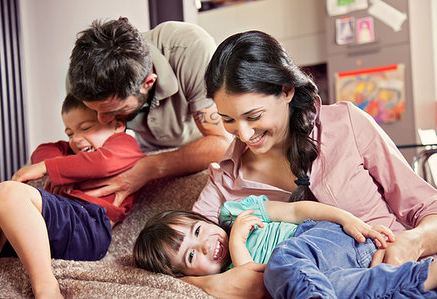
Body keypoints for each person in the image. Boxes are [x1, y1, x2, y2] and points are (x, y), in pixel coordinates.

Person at [186, 30, 437, 298]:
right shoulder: (225, 183)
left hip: (404, 274)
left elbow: (428, 207)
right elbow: (174, 256)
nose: (245, 134)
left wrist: (414, 242)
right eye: (228, 119)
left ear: (286, 91)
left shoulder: (346, 123)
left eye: (254, 116)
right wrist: (211, 284)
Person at [0, 94, 145, 298]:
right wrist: (63, 169)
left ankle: (46, 286)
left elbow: (103, 163)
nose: (76, 139)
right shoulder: (70, 155)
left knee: (5, 193)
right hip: (53, 233)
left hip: (88, 226)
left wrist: (49, 168)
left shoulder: (124, 144)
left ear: (117, 124)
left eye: (86, 128)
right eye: (70, 133)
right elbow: (44, 149)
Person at [67, 17, 232, 207]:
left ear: (148, 83)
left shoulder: (193, 49)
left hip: (196, 143)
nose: (102, 120)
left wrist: (149, 168)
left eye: (115, 110)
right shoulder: (81, 79)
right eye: (93, 110)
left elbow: (222, 142)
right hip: (137, 150)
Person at [134, 195, 437, 298]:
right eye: (190, 255)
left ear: (202, 218)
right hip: (334, 273)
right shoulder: (226, 280)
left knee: (282, 258)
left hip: (323, 239)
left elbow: (297, 211)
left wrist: (348, 220)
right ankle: (425, 278)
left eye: (198, 230)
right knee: (336, 287)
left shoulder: (235, 212)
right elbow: (248, 278)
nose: (204, 246)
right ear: (187, 275)